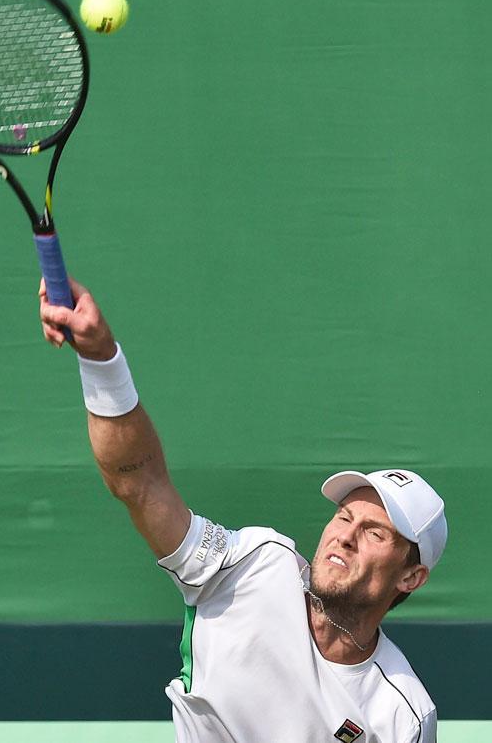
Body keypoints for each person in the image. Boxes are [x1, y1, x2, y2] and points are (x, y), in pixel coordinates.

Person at [39, 277, 447, 743]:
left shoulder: (403, 716)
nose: (345, 536)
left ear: (410, 577)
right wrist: (100, 359)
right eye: (343, 516)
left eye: (375, 533)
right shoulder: (252, 563)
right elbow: (139, 484)